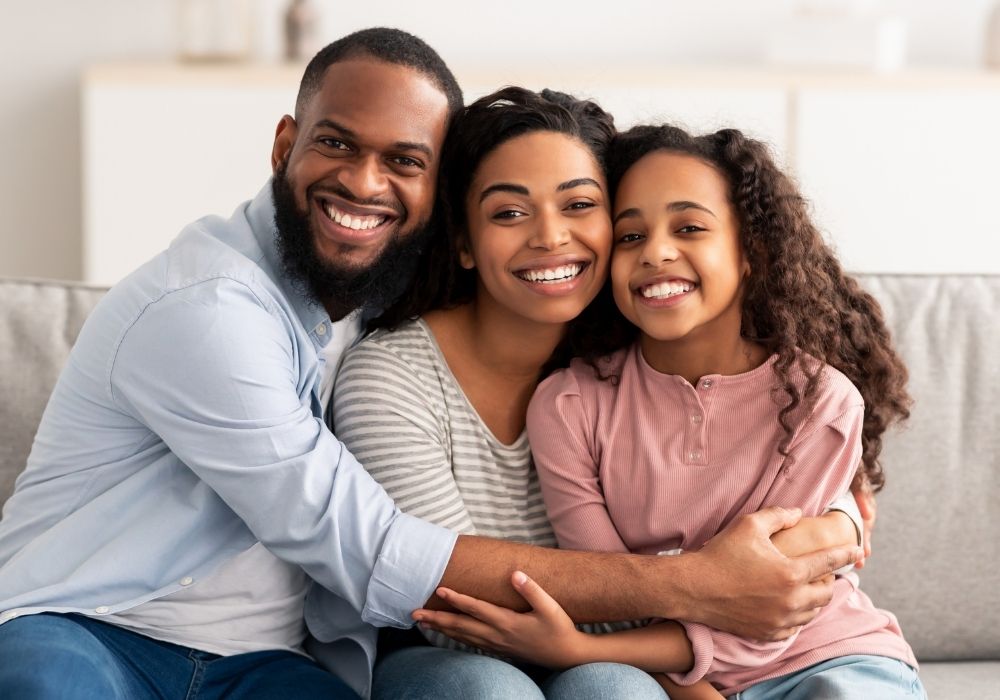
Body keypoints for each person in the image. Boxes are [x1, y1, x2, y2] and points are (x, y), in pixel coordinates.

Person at [0, 28, 860, 700]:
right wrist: (704, 586)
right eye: (338, 145)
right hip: (88, 620)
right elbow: (377, 555)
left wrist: (844, 523)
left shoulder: (381, 283)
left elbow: (790, 394)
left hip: (255, 664)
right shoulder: (210, 312)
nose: (367, 186)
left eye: (405, 161)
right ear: (284, 145)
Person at [333, 90, 866, 699]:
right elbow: (451, 606)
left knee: (613, 690)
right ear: (463, 242)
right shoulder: (390, 380)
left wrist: (840, 516)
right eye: (508, 214)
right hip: (451, 657)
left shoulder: (634, 356)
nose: (550, 237)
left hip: (624, 659)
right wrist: (705, 590)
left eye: (581, 205)